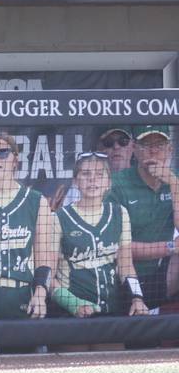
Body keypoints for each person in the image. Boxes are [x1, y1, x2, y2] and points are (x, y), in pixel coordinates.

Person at [0, 133, 57, 321]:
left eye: (2, 152)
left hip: (20, 293)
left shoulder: (36, 201)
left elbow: (45, 256)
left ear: (15, 159)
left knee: (21, 350)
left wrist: (40, 292)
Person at [53, 152, 148, 322]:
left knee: (111, 349)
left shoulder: (120, 213)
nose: (92, 179)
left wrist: (137, 298)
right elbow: (48, 275)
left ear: (108, 183)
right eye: (86, 174)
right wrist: (73, 304)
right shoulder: (58, 217)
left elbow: (126, 266)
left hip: (111, 311)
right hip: (70, 315)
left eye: (99, 174)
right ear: (75, 181)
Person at [108, 125, 179, 311]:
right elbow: (115, 247)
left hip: (162, 273)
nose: (153, 151)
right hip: (122, 277)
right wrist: (170, 246)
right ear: (134, 149)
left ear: (170, 149)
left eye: (160, 145)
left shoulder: (176, 179)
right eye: (146, 145)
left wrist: (173, 184)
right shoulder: (117, 184)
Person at [52, 127, 135, 209]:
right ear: (99, 148)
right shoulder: (80, 185)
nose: (116, 147)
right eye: (109, 142)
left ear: (133, 146)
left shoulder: (140, 178)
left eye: (123, 142)